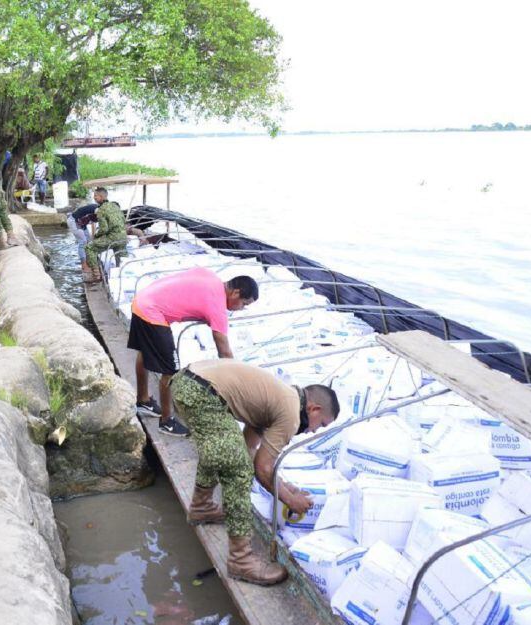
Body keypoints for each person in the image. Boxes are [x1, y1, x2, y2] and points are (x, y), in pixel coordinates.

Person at [170, 359, 340, 585]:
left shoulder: (279, 398)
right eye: (321, 424)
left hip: (186, 383)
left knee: (224, 450)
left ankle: (202, 507)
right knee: (236, 468)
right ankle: (240, 561)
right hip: (201, 394)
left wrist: (284, 486)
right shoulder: (290, 414)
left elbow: (249, 448)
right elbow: (261, 468)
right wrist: (290, 500)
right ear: (314, 409)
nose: (313, 431)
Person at [128, 269, 258, 436]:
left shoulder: (211, 277)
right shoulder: (217, 307)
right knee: (171, 371)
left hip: (142, 300)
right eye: (244, 304)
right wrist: (240, 379)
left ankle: (143, 400)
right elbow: (225, 353)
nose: (241, 309)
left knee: (145, 352)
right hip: (153, 312)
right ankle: (166, 422)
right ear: (236, 293)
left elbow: (189, 292)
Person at [83, 187, 127, 282]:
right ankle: (123, 276)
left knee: (89, 247)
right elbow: (124, 221)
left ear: (102, 197)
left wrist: (96, 236)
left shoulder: (101, 210)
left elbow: (104, 229)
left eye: (96, 196)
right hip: (123, 237)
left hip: (113, 237)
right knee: (121, 257)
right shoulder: (115, 205)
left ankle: (96, 276)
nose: (94, 198)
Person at [66, 190, 103, 278]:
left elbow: (94, 223)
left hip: (82, 223)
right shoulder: (97, 209)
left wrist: (93, 237)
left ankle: (89, 261)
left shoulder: (99, 211)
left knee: (89, 241)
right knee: (82, 242)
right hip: (74, 222)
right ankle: (84, 265)